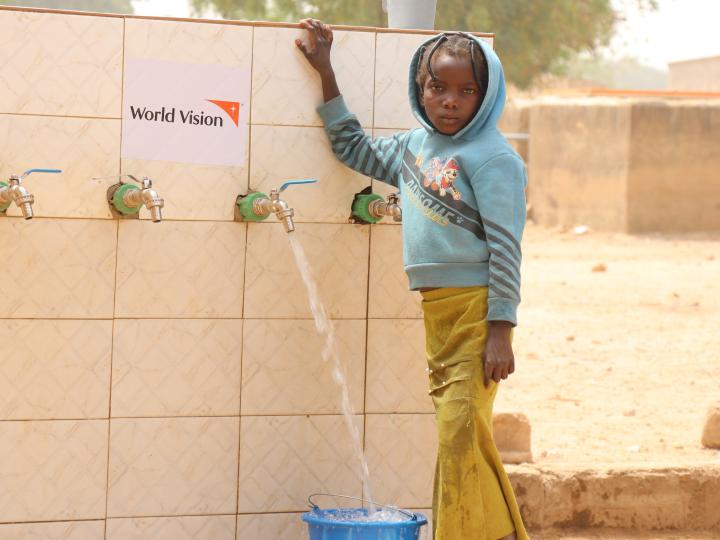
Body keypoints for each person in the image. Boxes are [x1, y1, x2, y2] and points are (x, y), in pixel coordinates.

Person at [296, 18, 530, 540]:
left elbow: (507, 249)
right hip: (438, 314)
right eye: (437, 87)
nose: (449, 101)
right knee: (466, 438)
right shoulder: (412, 148)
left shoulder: (494, 159)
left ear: (485, 94)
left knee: (459, 436)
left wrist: (501, 328)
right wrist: (327, 74)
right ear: (419, 88)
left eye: (466, 90)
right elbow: (353, 149)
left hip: (476, 313)